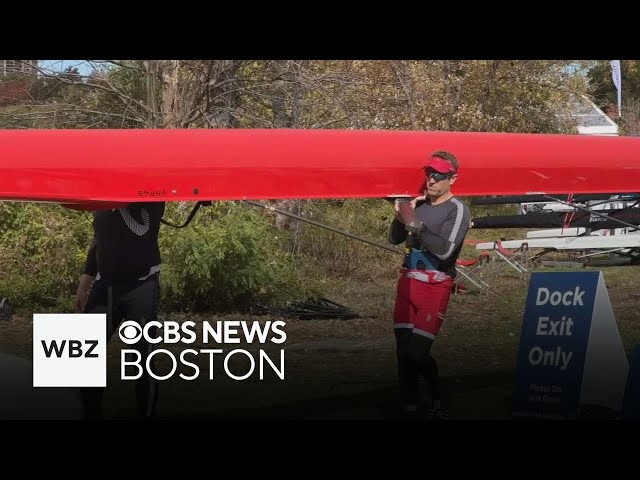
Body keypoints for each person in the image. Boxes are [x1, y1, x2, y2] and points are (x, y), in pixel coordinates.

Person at [388, 150, 470, 420]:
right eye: (428, 174)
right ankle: (409, 406)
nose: (431, 180)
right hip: (408, 282)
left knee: (417, 353)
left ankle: (438, 396)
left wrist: (416, 224)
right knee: (403, 352)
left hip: (435, 286)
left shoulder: (457, 209)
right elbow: (394, 239)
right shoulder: (419, 205)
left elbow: (445, 251)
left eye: (438, 175)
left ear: (452, 179)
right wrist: (403, 213)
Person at [75, 201, 166, 420]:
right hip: (105, 284)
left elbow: (141, 229)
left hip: (141, 286)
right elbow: (99, 238)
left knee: (143, 360)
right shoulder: (102, 198)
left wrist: (118, 201)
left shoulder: (151, 198)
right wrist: (85, 282)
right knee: (82, 355)